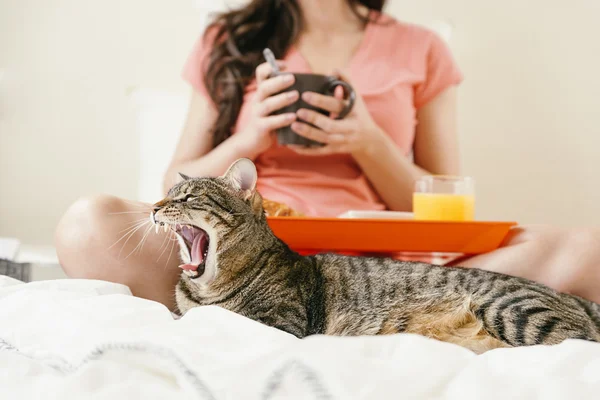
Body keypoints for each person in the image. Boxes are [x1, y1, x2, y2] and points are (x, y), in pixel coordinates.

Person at [55, 0, 600, 311]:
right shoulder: (227, 39)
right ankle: (259, 305)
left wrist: (367, 142)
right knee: (88, 225)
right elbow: (173, 191)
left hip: (381, 269)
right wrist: (248, 138)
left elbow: (445, 202)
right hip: (247, 258)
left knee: (588, 250)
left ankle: (354, 312)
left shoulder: (421, 47)